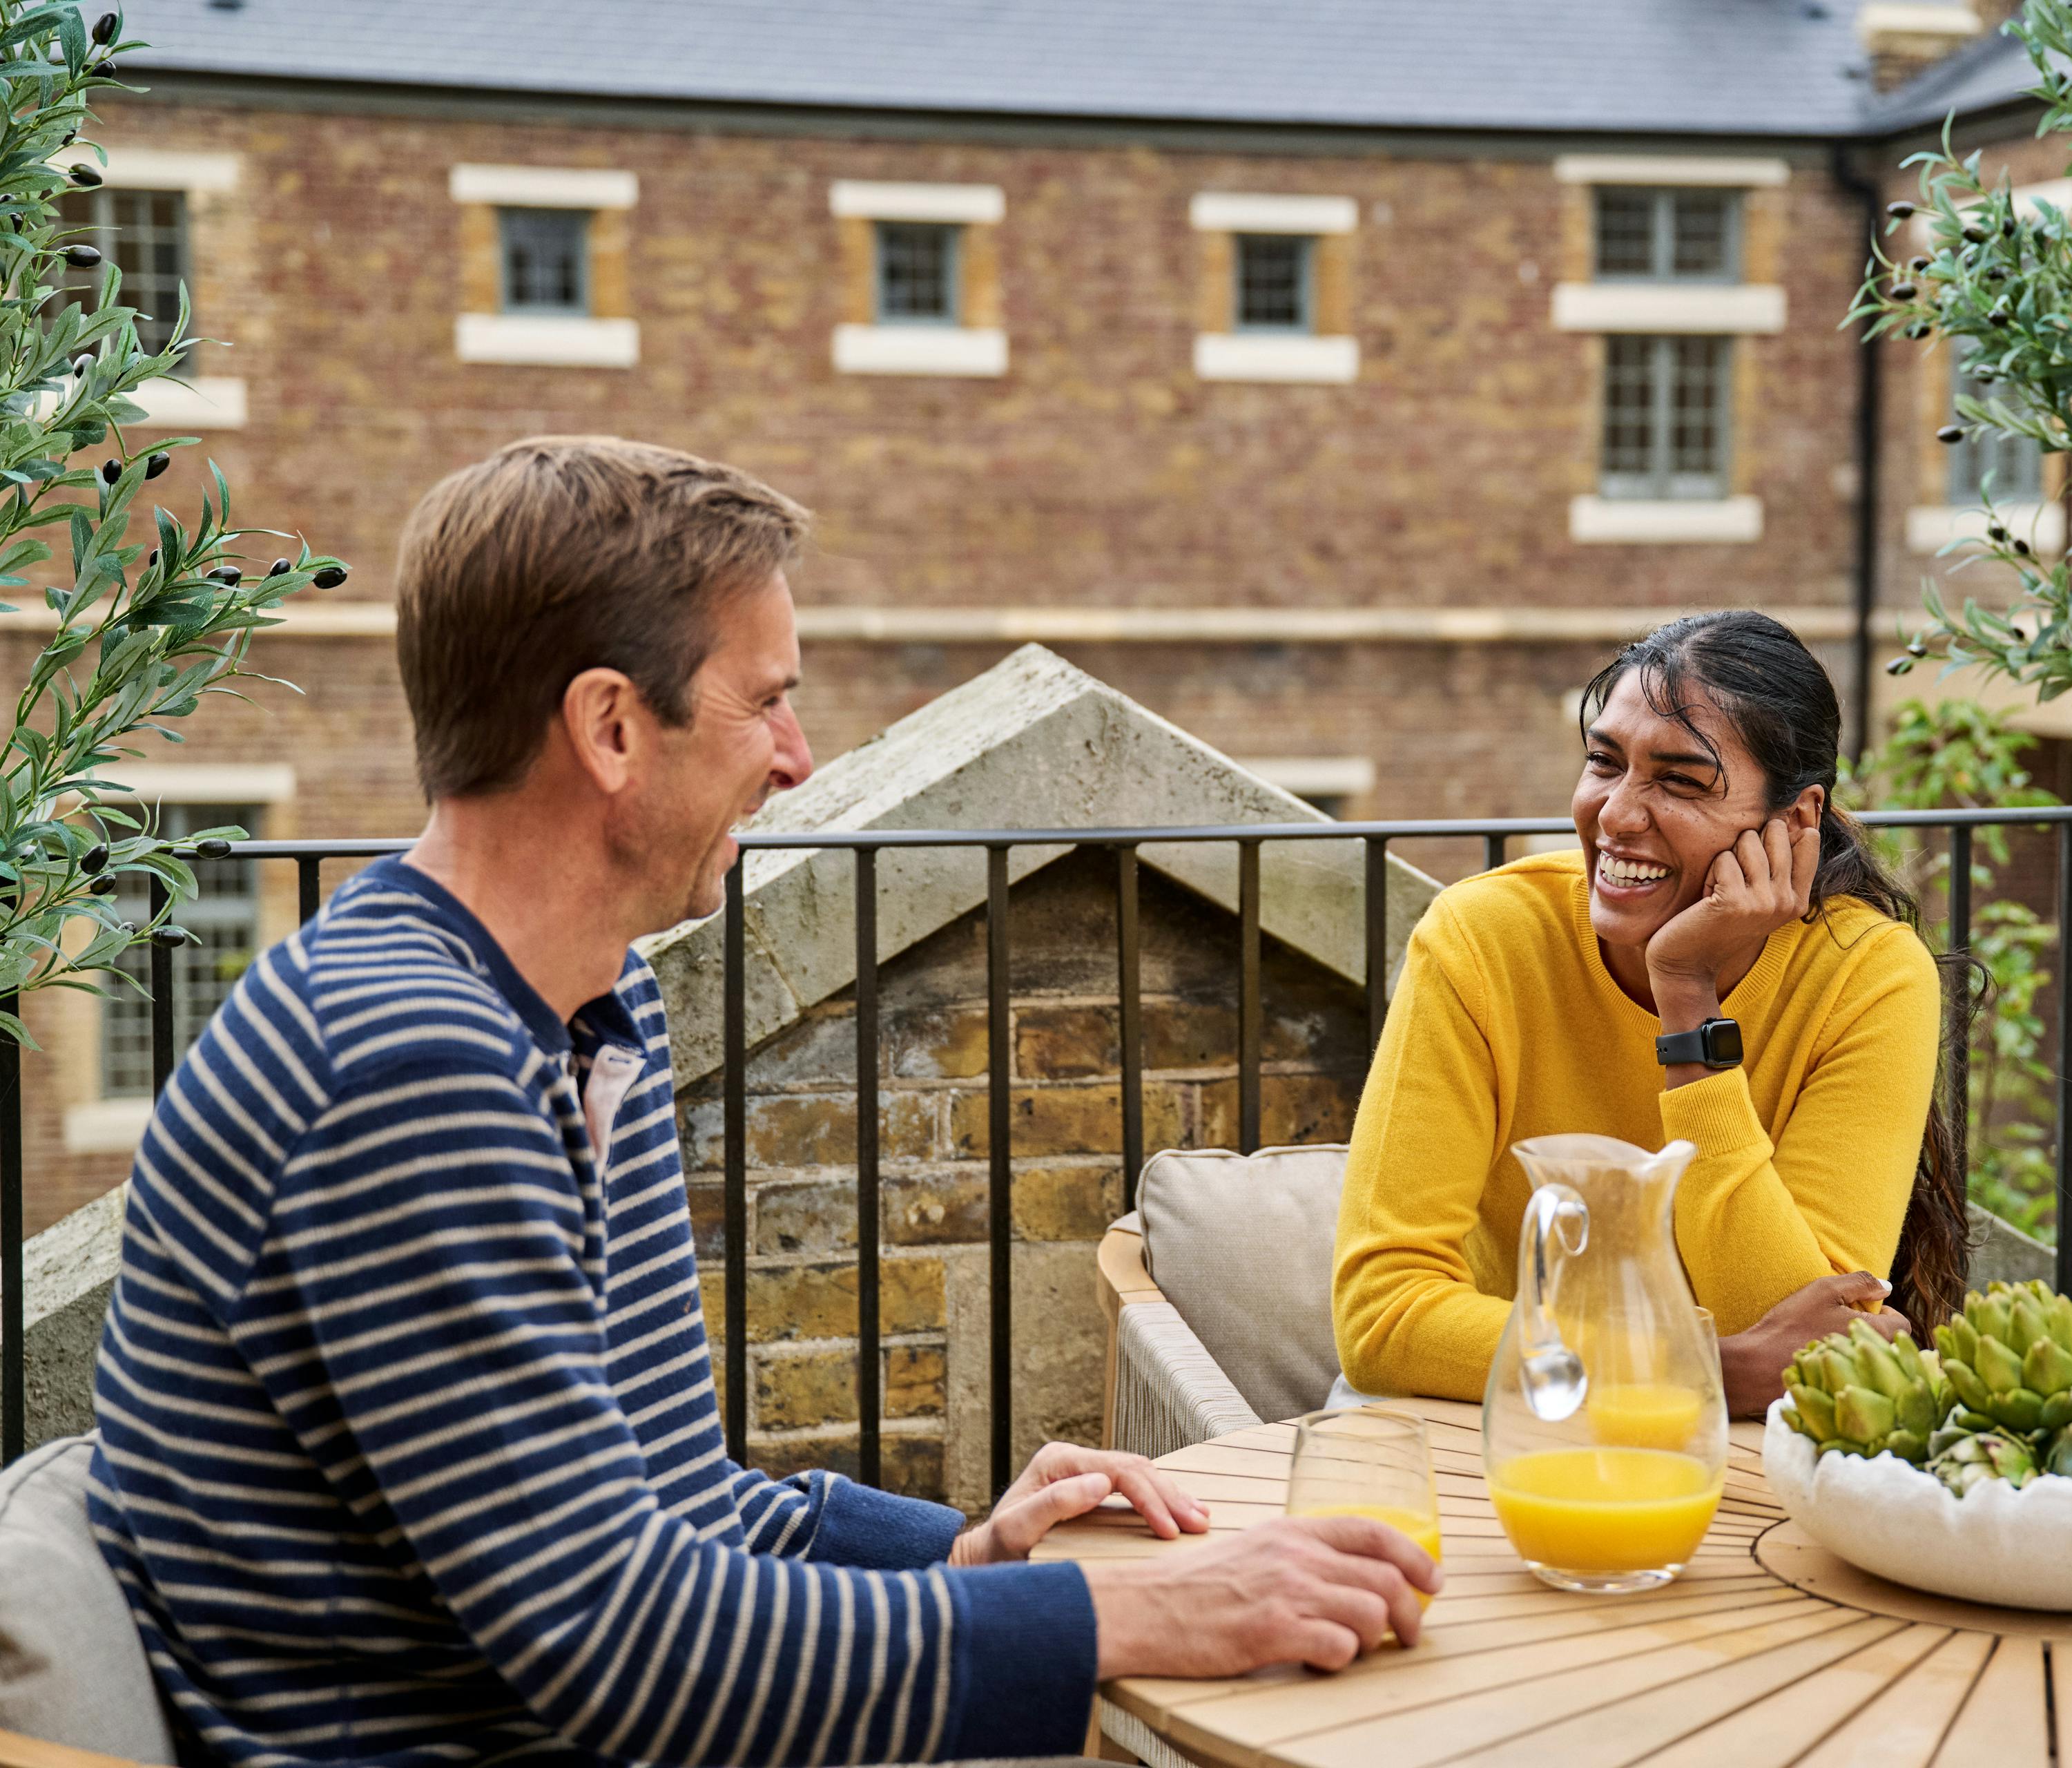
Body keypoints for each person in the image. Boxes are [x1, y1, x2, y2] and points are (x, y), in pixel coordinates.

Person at [86, 436, 1439, 1768]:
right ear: (612, 726)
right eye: (764, 700)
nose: (798, 756)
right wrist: (1114, 1612)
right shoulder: (411, 1066)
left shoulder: (585, 1009)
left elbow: (680, 1508)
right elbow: (629, 1646)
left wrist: (967, 1543)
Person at [1331, 610, 1961, 1415]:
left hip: (1737, 1454)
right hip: (1489, 1418)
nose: (1619, 813)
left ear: (1795, 819)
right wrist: (1697, 1365)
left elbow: (1811, 1341)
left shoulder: (1867, 977)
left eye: (1680, 780)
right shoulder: (1480, 938)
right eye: (1605, 762)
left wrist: (1687, 995)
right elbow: (1383, 1319)